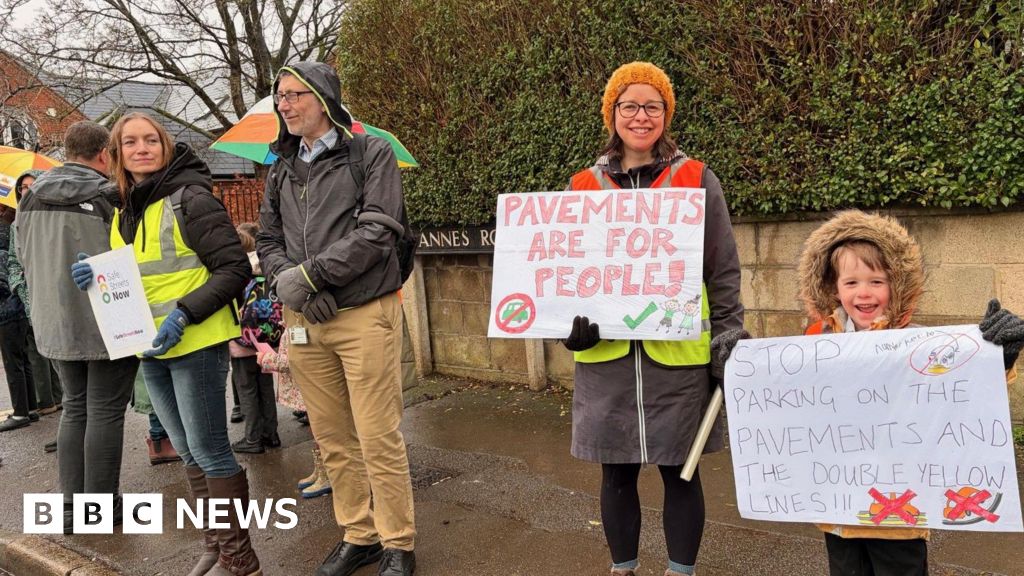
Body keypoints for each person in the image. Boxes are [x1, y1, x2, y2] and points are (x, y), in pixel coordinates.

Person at [716, 209, 1023, 576]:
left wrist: (1000, 355)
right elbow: (781, 399)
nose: (864, 293)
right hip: (836, 511)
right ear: (834, 289)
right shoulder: (815, 341)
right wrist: (738, 368)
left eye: (876, 281)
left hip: (900, 513)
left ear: (896, 286)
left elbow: (965, 386)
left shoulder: (915, 344)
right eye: (851, 283)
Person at [561, 62, 744, 576]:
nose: (641, 116)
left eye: (652, 106)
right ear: (612, 114)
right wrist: (566, 331)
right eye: (629, 105)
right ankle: (623, 569)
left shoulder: (696, 177)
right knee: (615, 475)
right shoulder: (583, 185)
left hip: (678, 357)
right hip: (607, 359)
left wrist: (728, 334)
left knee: (680, 475)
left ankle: (680, 572)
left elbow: (722, 267)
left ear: (666, 113)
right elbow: (564, 273)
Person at [73, 112, 257, 576]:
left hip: (194, 341)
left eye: (151, 140)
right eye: (130, 142)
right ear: (116, 155)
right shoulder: (126, 206)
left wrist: (183, 313)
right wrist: (95, 276)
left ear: (166, 145)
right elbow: (137, 279)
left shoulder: (190, 198)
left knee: (211, 449)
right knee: (189, 451)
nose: (141, 148)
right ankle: (216, 545)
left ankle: (240, 560)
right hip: (151, 350)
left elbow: (235, 269)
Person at [257, 62, 416, 576]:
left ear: (323, 97)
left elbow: (377, 230)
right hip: (306, 322)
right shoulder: (280, 167)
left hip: (364, 314)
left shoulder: (369, 153)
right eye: (279, 96)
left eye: (293, 94)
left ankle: (398, 543)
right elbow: (267, 241)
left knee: (377, 435)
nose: (284, 104)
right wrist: (294, 283)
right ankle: (359, 534)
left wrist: (312, 278)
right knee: (332, 438)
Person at [16, 121, 139, 531]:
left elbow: (20, 255)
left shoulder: (30, 197)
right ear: (105, 154)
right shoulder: (109, 195)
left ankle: (71, 509)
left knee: (75, 408)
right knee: (104, 411)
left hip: (53, 321)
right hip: (108, 320)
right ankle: (101, 508)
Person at [257, 327, 332, 498]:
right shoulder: (292, 318)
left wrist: (268, 359)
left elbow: (298, 359)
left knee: (322, 432)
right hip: (306, 386)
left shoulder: (302, 321)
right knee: (316, 432)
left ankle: (329, 474)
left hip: (311, 385)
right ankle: (322, 470)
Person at [230, 222, 279, 454]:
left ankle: (252, 438)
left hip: (242, 341)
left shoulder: (234, 271)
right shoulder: (265, 266)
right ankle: (271, 433)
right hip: (266, 339)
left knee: (246, 388)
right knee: (265, 385)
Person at [0, 194, 38, 432]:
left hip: (6, 311)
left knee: (13, 362)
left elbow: (3, 282)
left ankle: (21, 412)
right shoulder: (9, 237)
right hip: (19, 309)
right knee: (23, 360)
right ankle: (31, 407)